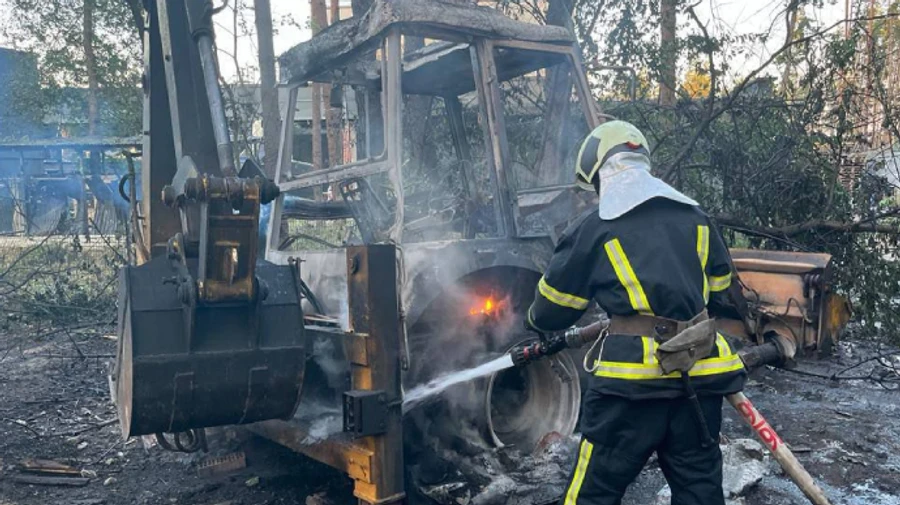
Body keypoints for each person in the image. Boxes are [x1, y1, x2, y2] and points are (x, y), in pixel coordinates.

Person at [524, 120, 747, 505]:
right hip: (698, 379)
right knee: (700, 490)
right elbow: (724, 296)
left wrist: (534, 320)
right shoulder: (697, 217)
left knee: (594, 492)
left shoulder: (594, 228)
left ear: (598, 174)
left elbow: (550, 314)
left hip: (630, 390)